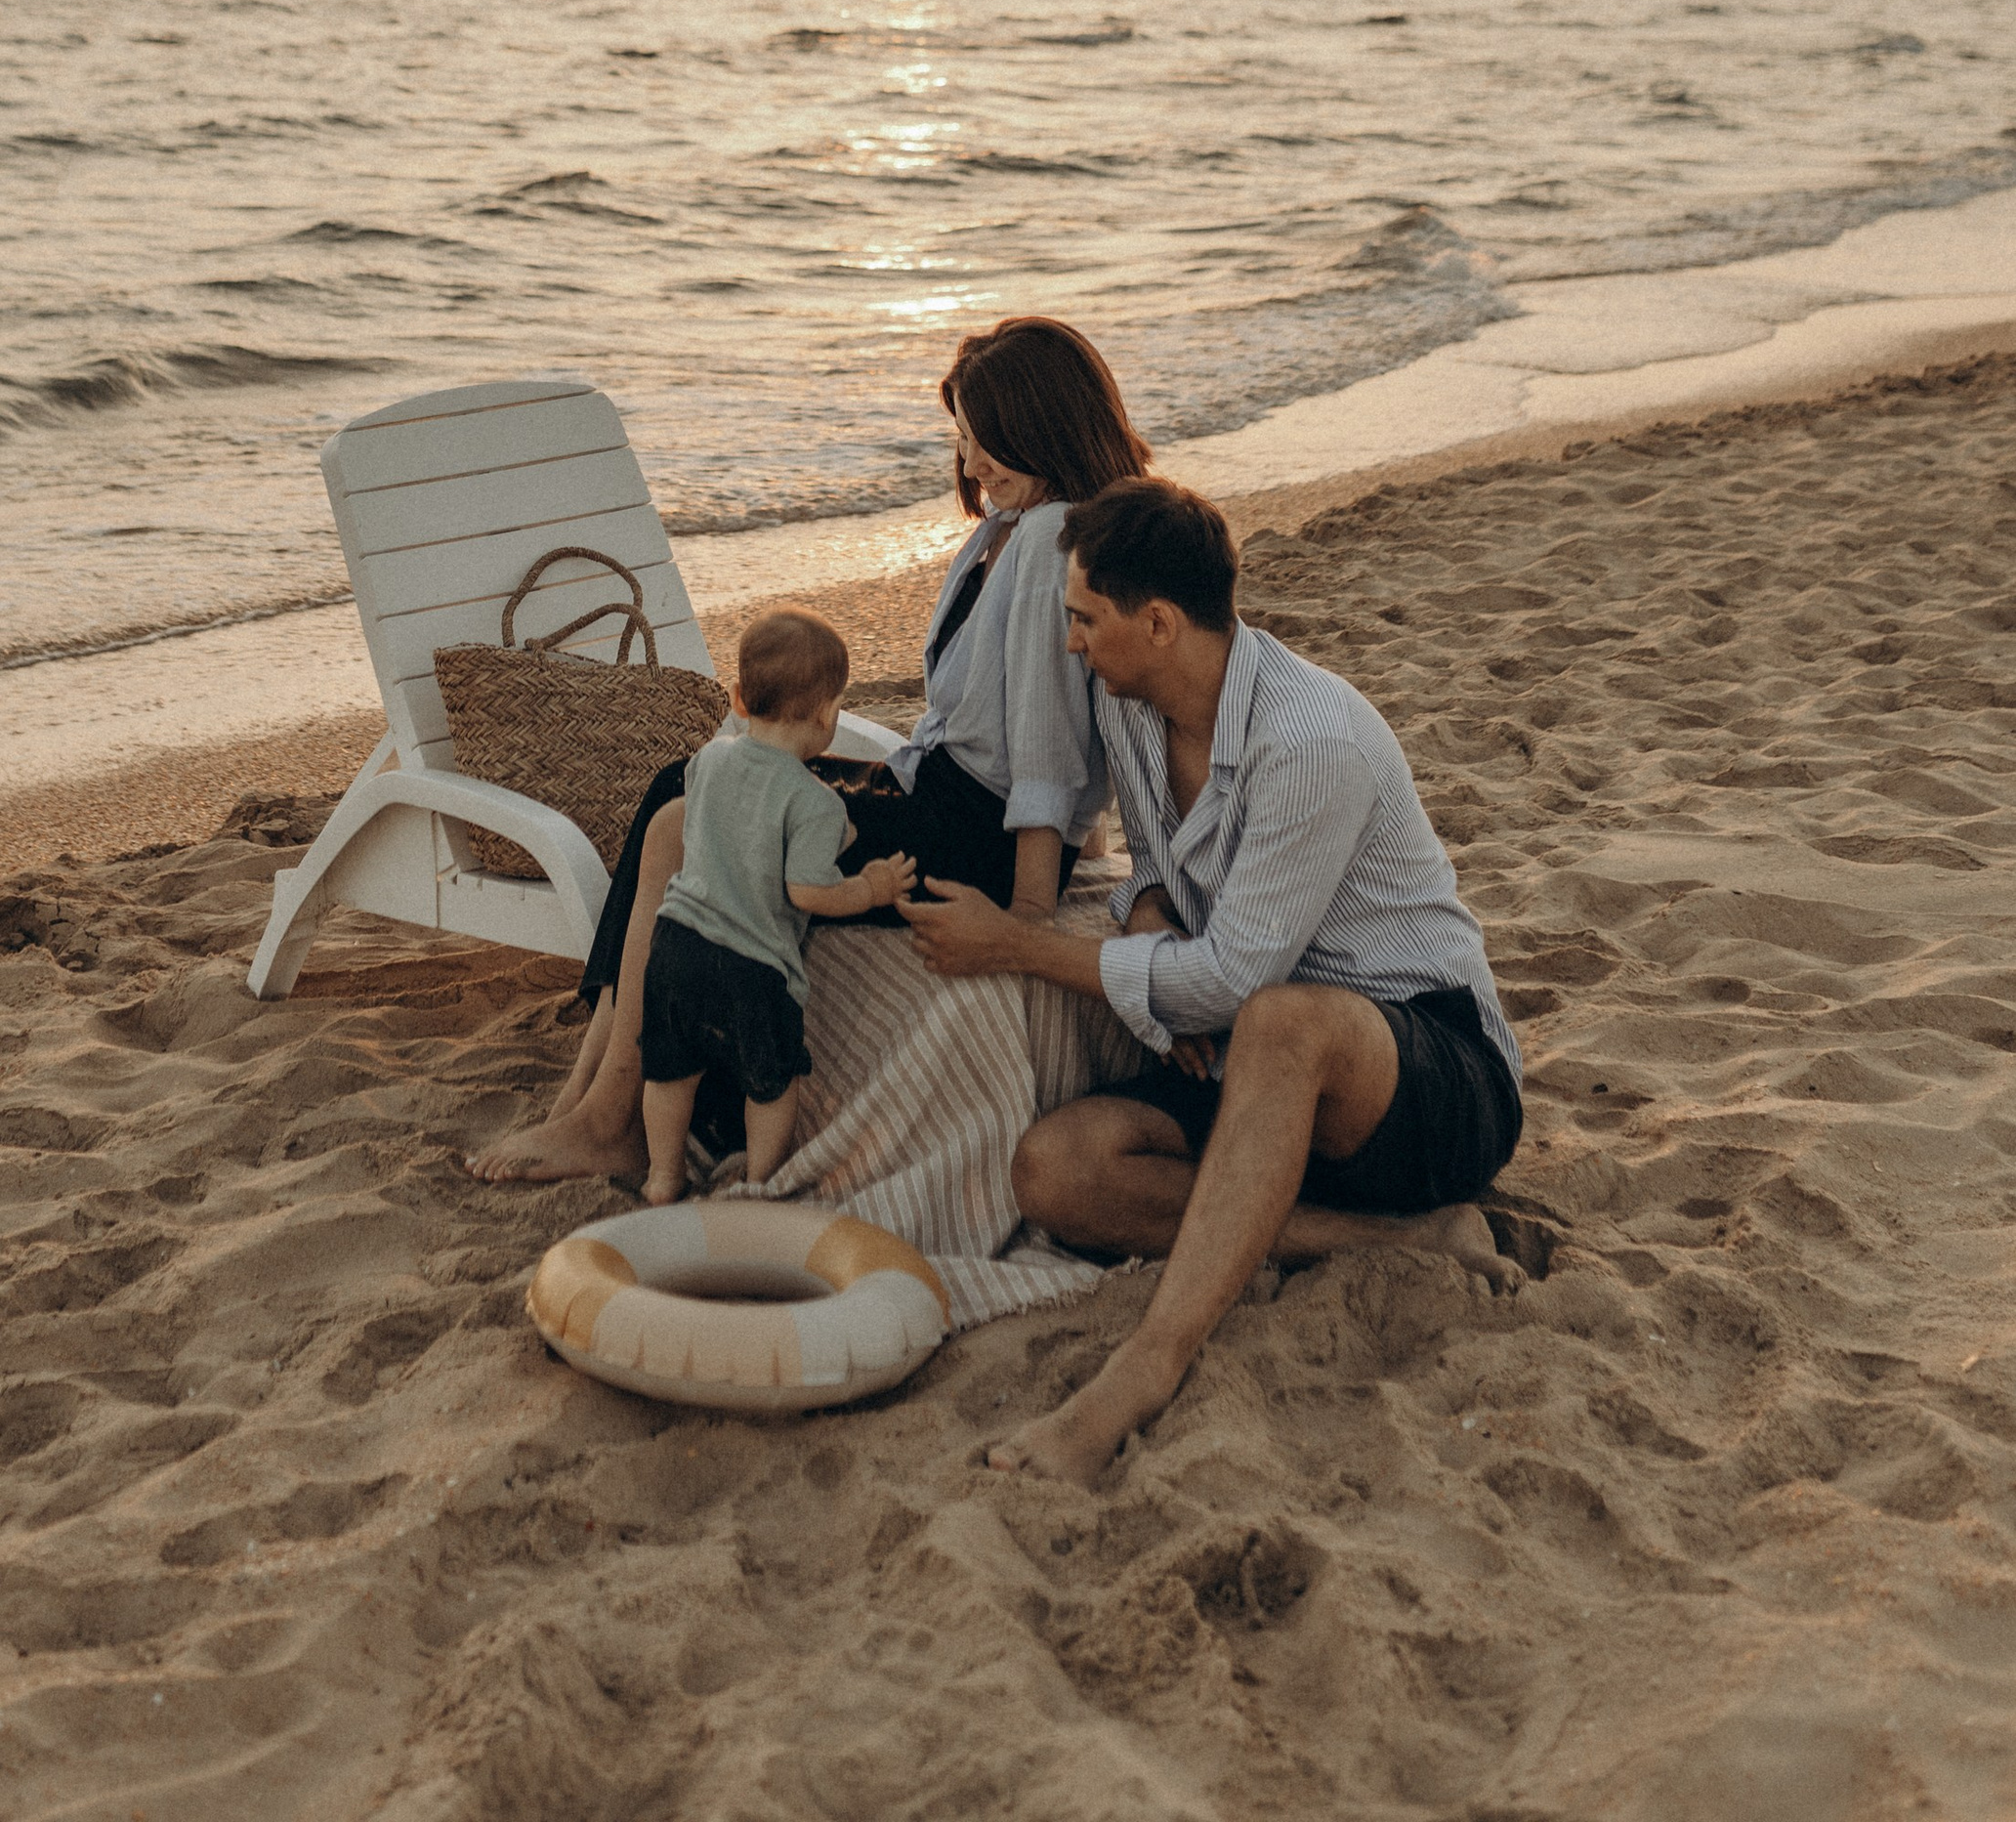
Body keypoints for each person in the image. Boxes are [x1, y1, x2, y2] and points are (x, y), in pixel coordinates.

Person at [902, 474, 1524, 1488]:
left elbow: (1234, 981)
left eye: (1082, 620)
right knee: (1054, 1170)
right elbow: (1153, 876)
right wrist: (1154, 928)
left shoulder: (1308, 741)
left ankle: (1142, 1370)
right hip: (1262, 1081)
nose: (1069, 643)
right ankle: (1392, 1241)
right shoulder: (1137, 711)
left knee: (1278, 1018)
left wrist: (1016, 945)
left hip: (1425, 1071)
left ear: (1156, 623)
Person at [466, 316, 1149, 1186]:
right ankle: (593, 1102)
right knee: (688, 778)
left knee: (687, 819)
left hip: (968, 828)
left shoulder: (1054, 539)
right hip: (927, 787)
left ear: (1045, 426)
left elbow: (1050, 749)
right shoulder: (1002, 533)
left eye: (988, 443)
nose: (972, 465)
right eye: (965, 441)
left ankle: (608, 1119)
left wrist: (1028, 913)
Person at [638, 607, 916, 1206]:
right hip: (751, 964)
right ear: (825, 716)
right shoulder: (817, 804)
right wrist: (870, 888)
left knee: (669, 1072)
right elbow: (808, 892)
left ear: (738, 697)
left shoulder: (708, 761)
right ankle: (763, 1181)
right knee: (771, 1083)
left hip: (675, 942)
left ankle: (662, 1176)